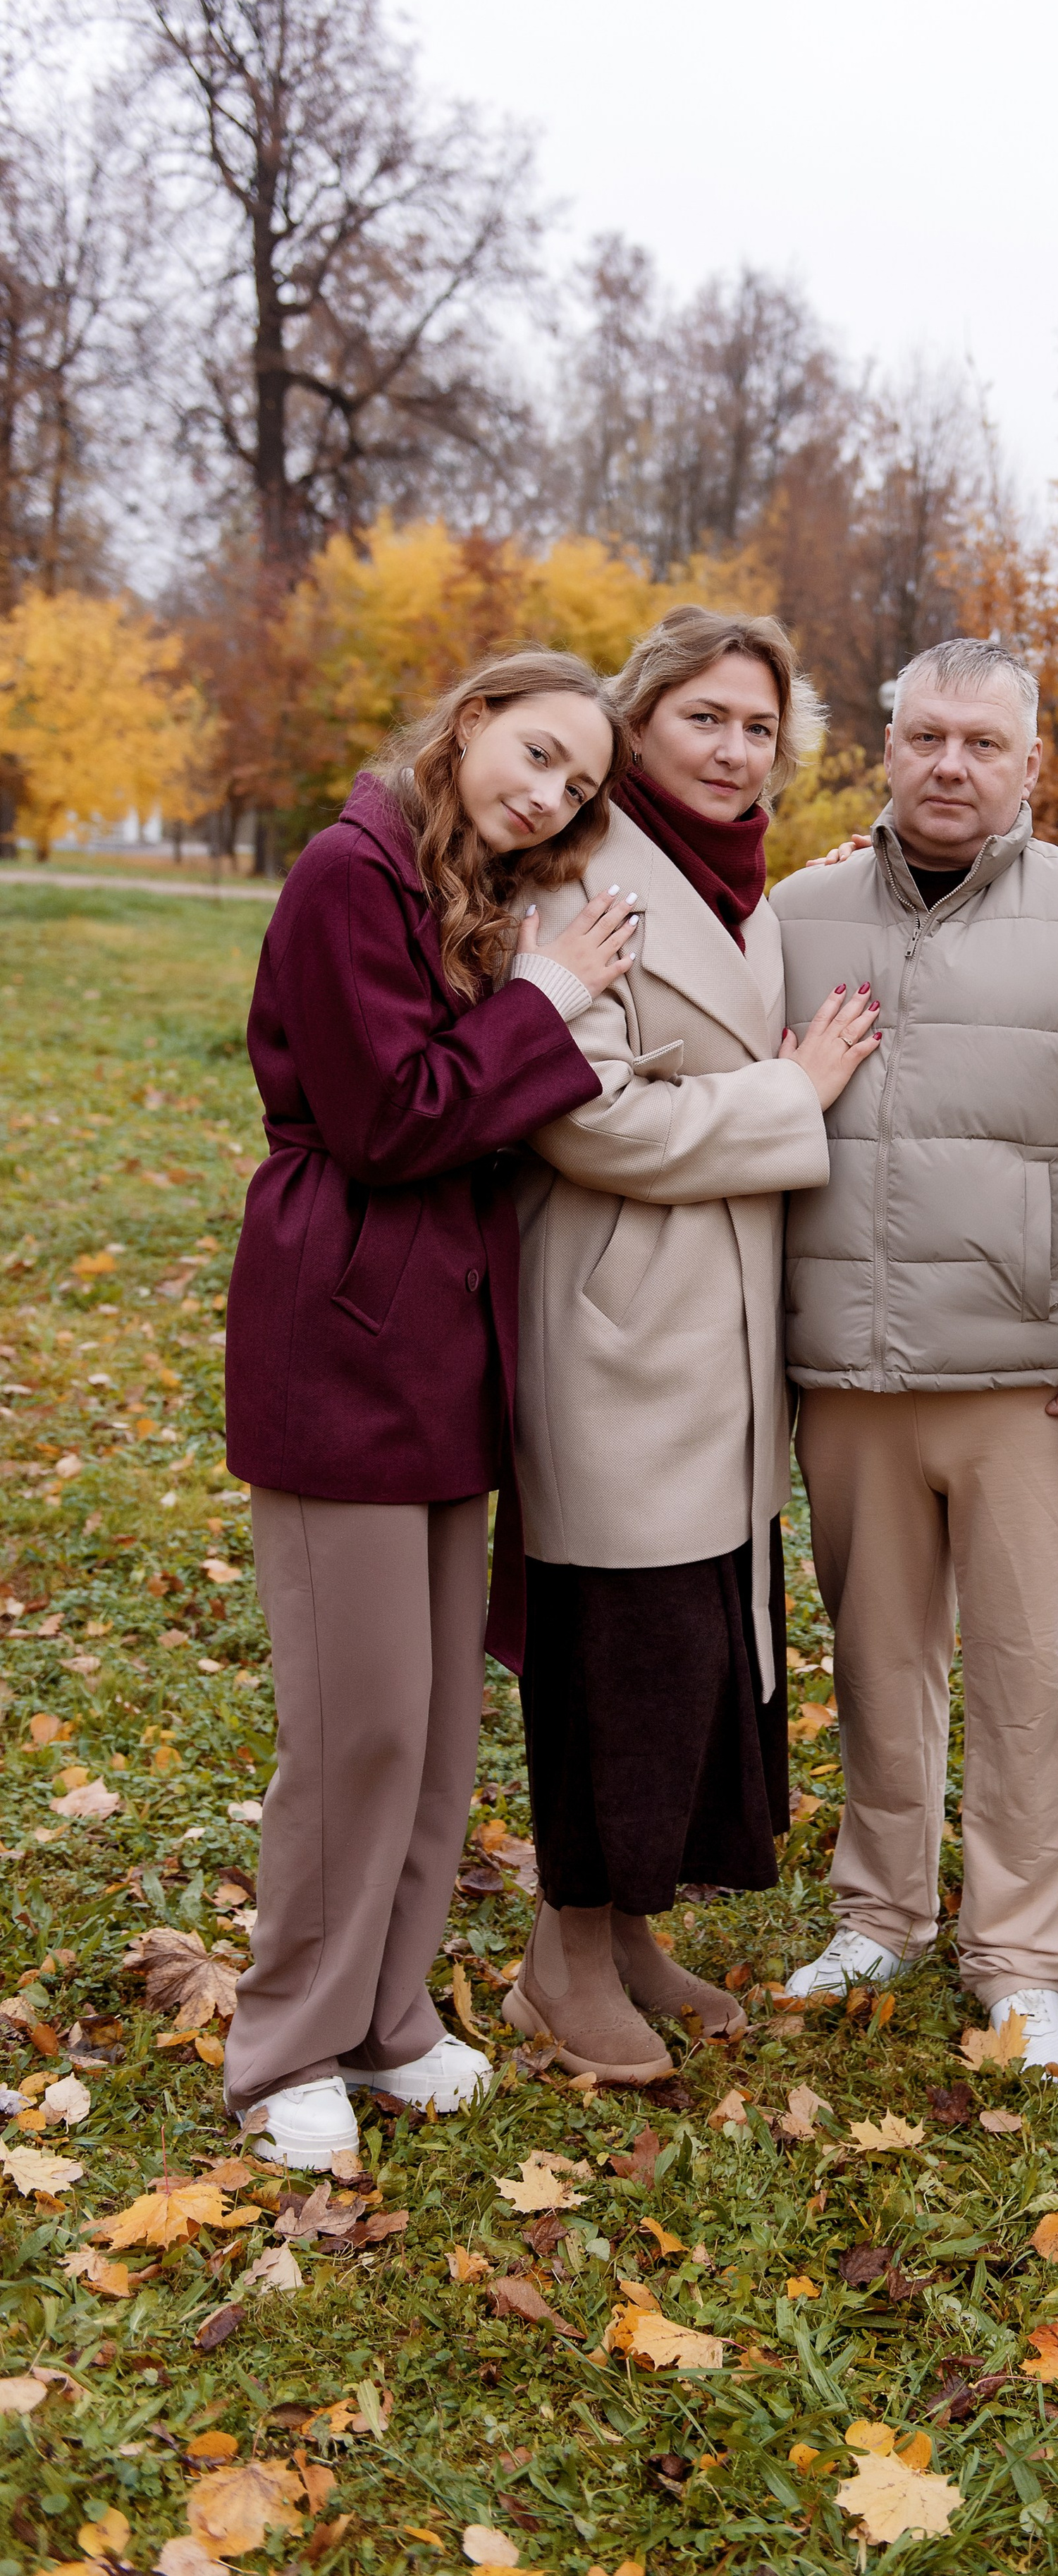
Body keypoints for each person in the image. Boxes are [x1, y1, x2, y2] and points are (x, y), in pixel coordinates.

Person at [223, 647, 639, 2170]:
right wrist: (546, 999)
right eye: (535, 755)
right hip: (343, 1327)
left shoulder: (447, 882)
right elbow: (392, 1116)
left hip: (444, 1341)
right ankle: (285, 2046)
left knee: (433, 1718)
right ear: (469, 723)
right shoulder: (350, 871)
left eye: (577, 788)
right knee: (355, 1724)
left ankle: (386, 2016)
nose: (547, 797)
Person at [768, 637, 1058, 2073]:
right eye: (924, 737)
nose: (950, 766)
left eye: (981, 744)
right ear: (883, 745)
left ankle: (1020, 1959)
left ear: (1028, 766)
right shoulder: (796, 908)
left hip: (1032, 1376)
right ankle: (876, 1911)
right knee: (875, 1661)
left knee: (1025, 1675)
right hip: (854, 1368)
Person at [499, 608, 881, 2083]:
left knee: (694, 1645)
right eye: (704, 720)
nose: (735, 752)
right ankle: (560, 1957)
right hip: (615, 1317)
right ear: (638, 719)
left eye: (759, 729)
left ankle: (629, 1932)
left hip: (717, 1329)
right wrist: (790, 1097)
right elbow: (576, 1112)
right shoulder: (578, 876)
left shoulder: (744, 892)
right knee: (613, 1646)